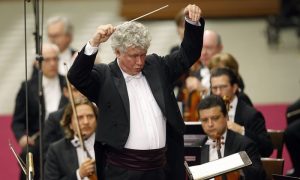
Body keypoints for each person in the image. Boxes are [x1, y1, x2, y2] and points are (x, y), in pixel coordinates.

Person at [68, 4, 204, 180]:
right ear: (117, 51)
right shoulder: (104, 76)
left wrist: (192, 23)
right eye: (133, 55)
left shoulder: (156, 65)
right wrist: (94, 43)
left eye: (143, 54)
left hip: (161, 168)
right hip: (122, 171)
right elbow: (76, 76)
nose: (140, 61)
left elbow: (188, 55)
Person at [11, 43, 68, 180]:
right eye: (47, 60)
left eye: (55, 59)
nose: (53, 63)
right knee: (28, 155)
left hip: (64, 136)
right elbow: (17, 121)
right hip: (38, 139)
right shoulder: (27, 87)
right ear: (37, 63)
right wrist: (22, 137)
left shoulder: (67, 82)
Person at [197, 95, 266, 179]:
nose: (210, 124)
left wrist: (238, 169)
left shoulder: (245, 144)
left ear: (226, 117)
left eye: (215, 118)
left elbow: (259, 175)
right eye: (204, 120)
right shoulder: (197, 146)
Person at [210, 67, 273, 157]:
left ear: (234, 87)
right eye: (214, 88)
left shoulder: (251, 115)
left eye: (223, 87)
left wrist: (241, 130)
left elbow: (267, 149)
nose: (218, 92)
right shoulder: (207, 112)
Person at [44, 98, 97, 179]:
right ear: (70, 124)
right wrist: (79, 174)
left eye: (90, 116)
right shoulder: (56, 150)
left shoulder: (108, 145)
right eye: (80, 118)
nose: (86, 122)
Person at [43, 84, 85, 156]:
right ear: (66, 92)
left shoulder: (99, 113)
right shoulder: (54, 118)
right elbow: (48, 153)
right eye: (75, 90)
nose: (81, 94)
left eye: (84, 89)